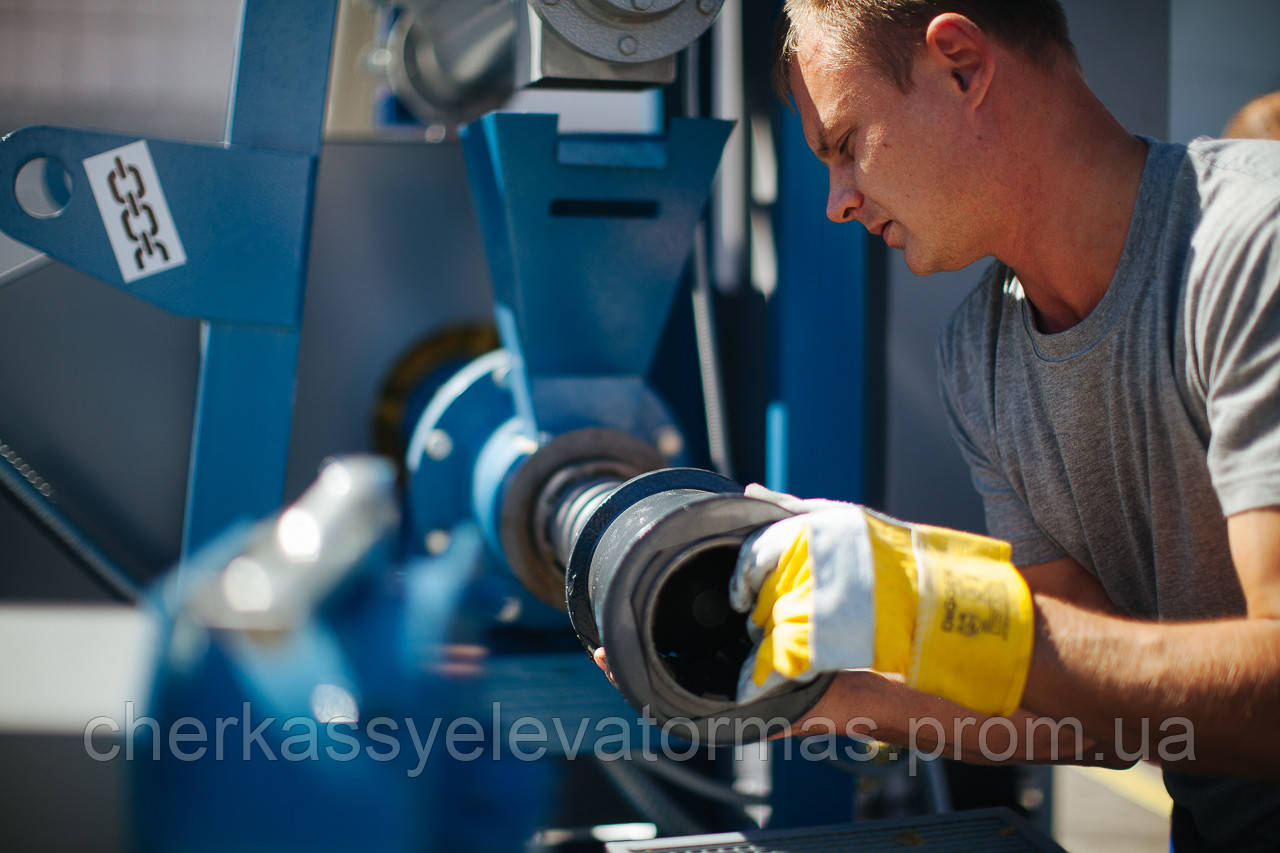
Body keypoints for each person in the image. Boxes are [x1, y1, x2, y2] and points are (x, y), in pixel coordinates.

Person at [590, 1, 1280, 849]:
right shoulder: (980, 354)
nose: (839, 202)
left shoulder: (1252, 247)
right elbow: (1101, 713)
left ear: (960, 63)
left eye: (845, 145)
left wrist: (933, 599)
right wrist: (820, 695)